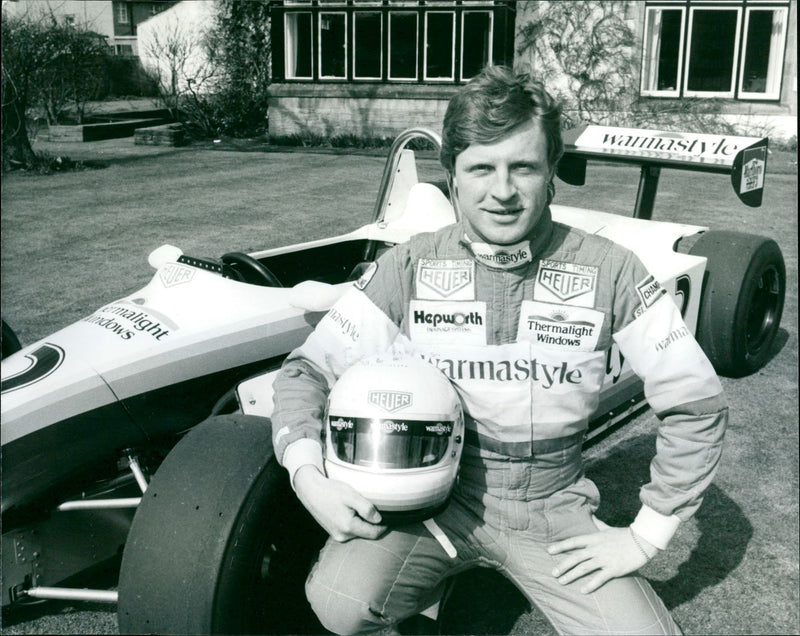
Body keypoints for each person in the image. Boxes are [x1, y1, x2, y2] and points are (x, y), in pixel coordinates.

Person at [271, 65, 727, 635]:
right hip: (444, 502)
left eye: (524, 167)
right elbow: (305, 371)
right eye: (481, 167)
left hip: (553, 511)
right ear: (452, 176)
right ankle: (447, 578)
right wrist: (307, 477)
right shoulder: (412, 263)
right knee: (340, 602)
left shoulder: (611, 269)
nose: (503, 191)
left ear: (551, 172)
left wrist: (645, 536)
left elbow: (697, 404)